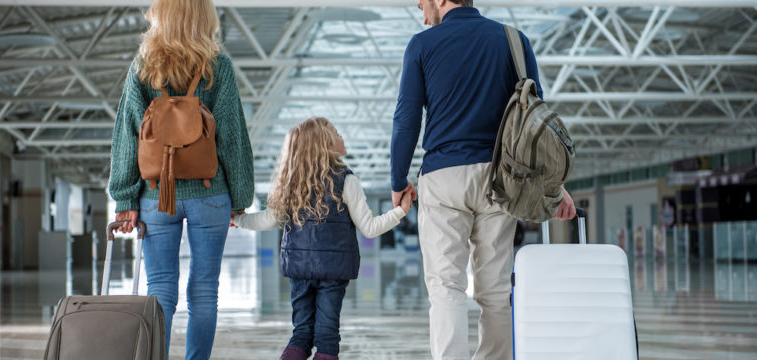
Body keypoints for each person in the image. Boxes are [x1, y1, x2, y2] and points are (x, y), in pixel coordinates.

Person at [390, 1, 576, 359]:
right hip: (501, 180)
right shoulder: (513, 40)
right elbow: (538, 127)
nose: (418, 4)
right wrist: (553, 186)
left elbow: (406, 118)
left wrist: (399, 179)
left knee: (447, 288)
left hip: (443, 178)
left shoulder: (422, 45)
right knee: (494, 292)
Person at [108, 0, 253, 359]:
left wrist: (125, 198)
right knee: (204, 291)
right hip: (210, 193)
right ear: (205, 17)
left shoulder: (144, 67)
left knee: (160, 288)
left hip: (157, 194)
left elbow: (127, 135)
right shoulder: (218, 67)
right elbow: (231, 138)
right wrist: (239, 197)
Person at [232, 117, 412, 360]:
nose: (342, 137)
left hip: (299, 270)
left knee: (301, 334)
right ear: (325, 144)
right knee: (327, 337)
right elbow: (369, 228)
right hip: (333, 273)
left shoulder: (291, 184)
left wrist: (239, 220)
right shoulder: (347, 181)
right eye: (337, 133)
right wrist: (401, 211)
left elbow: (268, 219)